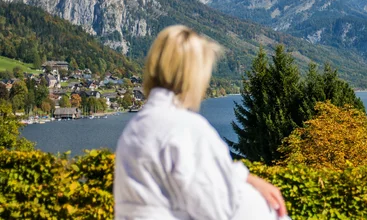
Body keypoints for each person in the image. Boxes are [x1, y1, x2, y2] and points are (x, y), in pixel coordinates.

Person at [114, 25, 289, 220]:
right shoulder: (185, 129)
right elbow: (217, 209)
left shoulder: (136, 128)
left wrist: (245, 179)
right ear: (193, 75)